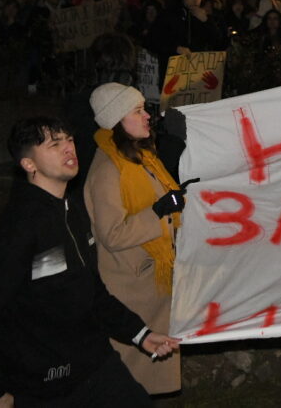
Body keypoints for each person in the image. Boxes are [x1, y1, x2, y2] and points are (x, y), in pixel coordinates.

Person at [0, 117, 178, 407]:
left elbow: (90, 290)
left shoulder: (74, 212)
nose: (69, 148)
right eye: (54, 145)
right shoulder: (18, 230)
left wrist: (139, 333)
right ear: (29, 164)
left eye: (68, 140)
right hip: (44, 386)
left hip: (97, 366)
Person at [85, 84, 184, 395]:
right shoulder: (108, 169)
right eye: (138, 111)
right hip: (133, 288)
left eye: (145, 108)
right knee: (129, 380)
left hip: (148, 284)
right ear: (117, 121)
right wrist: (157, 212)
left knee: (142, 381)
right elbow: (112, 233)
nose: (147, 116)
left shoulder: (140, 157)